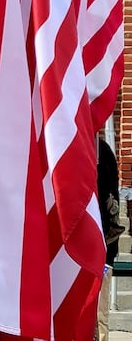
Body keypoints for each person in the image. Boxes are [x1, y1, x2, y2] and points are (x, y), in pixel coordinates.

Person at [96, 137, 124, 341]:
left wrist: (108, 256)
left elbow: (112, 206)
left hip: (101, 247)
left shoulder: (103, 153)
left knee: (98, 319)